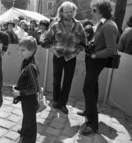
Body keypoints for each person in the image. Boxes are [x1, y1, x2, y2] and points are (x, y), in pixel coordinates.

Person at [79, 0, 119, 135]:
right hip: (93, 60)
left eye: (94, 10)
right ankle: (89, 111)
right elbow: (100, 41)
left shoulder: (108, 25)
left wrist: (96, 55)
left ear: (103, 11)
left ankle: (92, 124)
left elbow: (111, 49)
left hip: (96, 61)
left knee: (87, 89)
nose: (92, 13)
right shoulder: (103, 24)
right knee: (93, 86)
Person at [41, 1, 86, 114]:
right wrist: (53, 51)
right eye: (67, 12)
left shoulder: (78, 25)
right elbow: (45, 41)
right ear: (61, 12)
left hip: (71, 58)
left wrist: (78, 51)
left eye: (71, 11)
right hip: (58, 57)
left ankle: (63, 103)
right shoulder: (55, 25)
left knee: (67, 82)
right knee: (56, 80)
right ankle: (55, 101)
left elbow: (84, 41)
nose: (69, 14)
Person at [12, 36, 39, 143]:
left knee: (30, 119)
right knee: (26, 116)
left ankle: (29, 138)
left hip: (30, 99)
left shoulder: (31, 66)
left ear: (31, 51)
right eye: (19, 49)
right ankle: (25, 131)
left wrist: (20, 92)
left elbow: (34, 88)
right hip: (26, 98)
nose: (20, 52)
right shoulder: (26, 61)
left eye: (23, 50)